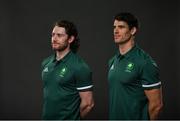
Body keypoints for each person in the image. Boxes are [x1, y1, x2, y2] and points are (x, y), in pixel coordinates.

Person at [108, 12, 163, 120]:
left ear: (132, 30)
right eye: (114, 27)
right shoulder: (113, 61)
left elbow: (157, 106)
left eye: (121, 27)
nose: (116, 31)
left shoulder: (144, 62)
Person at [41, 20, 94, 120]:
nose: (54, 39)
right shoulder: (46, 63)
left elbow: (88, 104)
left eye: (59, 35)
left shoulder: (80, 67)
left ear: (70, 39)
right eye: (53, 35)